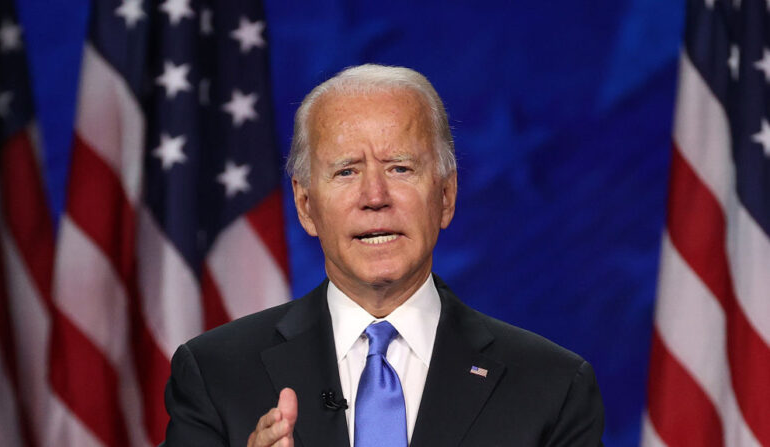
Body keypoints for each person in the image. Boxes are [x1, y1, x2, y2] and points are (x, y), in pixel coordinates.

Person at [162, 64, 605, 447]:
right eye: (346, 171)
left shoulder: (552, 387)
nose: (374, 197)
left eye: (400, 168)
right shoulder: (215, 375)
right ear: (305, 205)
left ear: (446, 195)